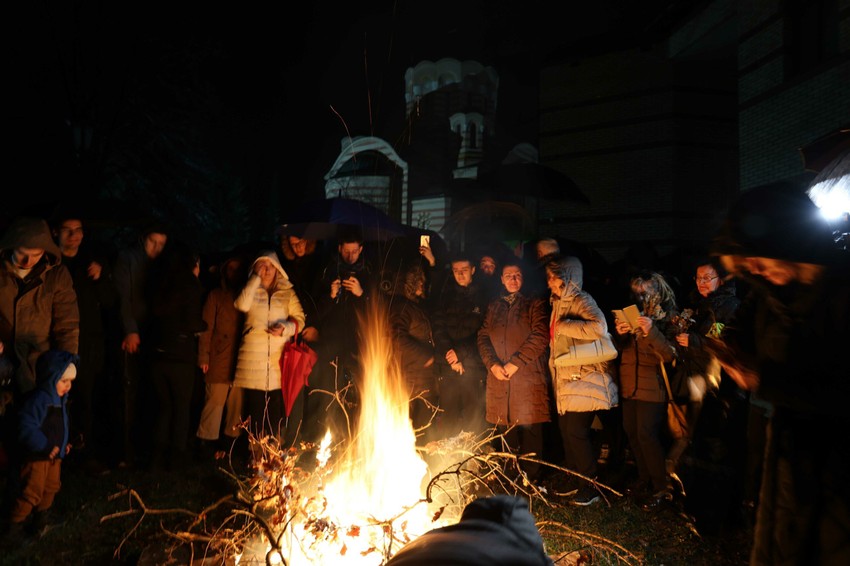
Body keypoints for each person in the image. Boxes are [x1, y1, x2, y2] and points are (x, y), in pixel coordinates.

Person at [710, 182, 850, 565]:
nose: (753, 269)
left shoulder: (840, 296)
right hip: (790, 463)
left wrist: (765, 380)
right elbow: (741, 324)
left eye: (757, 257)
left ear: (789, 239)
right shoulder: (772, 294)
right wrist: (731, 346)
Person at [668, 258, 742, 501]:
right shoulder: (696, 304)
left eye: (706, 278)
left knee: (707, 434)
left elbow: (718, 337)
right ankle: (688, 486)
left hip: (714, 380)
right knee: (690, 430)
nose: (701, 283)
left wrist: (695, 341)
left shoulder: (728, 306)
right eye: (698, 278)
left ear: (720, 279)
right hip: (692, 374)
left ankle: (710, 492)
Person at [546, 256, 618, 506]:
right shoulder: (557, 302)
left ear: (566, 276)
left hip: (584, 376)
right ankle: (578, 480)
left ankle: (591, 485)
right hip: (567, 378)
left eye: (553, 275)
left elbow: (599, 327)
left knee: (577, 431)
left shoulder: (580, 299)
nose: (549, 281)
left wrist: (565, 325)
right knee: (567, 431)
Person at [50, 210, 117, 472]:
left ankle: (83, 452)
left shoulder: (91, 264)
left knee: (86, 399)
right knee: (56, 398)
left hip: (87, 344)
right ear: (56, 232)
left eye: (78, 230)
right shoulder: (52, 263)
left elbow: (110, 301)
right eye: (68, 230)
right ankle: (54, 453)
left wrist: (101, 278)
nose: (74, 236)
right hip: (56, 343)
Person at [477, 260, 550, 482]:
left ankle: (532, 477)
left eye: (517, 275)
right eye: (508, 276)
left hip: (527, 378)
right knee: (504, 429)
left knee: (529, 428)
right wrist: (492, 364)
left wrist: (515, 362)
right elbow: (483, 337)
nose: (513, 280)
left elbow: (540, 335)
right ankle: (509, 474)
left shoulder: (534, 303)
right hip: (499, 378)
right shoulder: (494, 305)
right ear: (501, 279)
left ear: (523, 277)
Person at [613, 271, 678, 511]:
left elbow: (670, 354)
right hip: (630, 384)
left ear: (658, 291)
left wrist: (651, 330)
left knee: (647, 435)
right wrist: (620, 334)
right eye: (638, 292)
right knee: (632, 431)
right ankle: (645, 479)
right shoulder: (635, 313)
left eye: (646, 291)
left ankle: (663, 488)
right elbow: (624, 350)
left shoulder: (668, 317)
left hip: (653, 386)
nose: (642, 296)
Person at [0, 217, 80, 395]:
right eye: (22, 253)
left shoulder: (57, 276)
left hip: (41, 367)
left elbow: (67, 325)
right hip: (3, 364)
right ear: (11, 246)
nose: (28, 261)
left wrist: (63, 368)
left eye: (36, 255)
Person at [233, 251, 305, 448]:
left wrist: (285, 328)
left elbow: (300, 319)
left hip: (277, 361)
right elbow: (241, 304)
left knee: (274, 412)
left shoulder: (287, 292)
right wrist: (255, 278)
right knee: (255, 411)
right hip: (253, 361)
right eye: (261, 265)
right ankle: (256, 457)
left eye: (270, 266)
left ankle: (273, 456)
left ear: (277, 269)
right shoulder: (251, 289)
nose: (266, 270)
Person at [5, 350, 78, 541]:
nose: (68, 386)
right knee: (31, 491)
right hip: (37, 457)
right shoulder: (38, 401)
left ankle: (41, 520)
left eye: (70, 381)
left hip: (53, 458)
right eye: (63, 381)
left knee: (51, 488)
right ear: (50, 378)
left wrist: (63, 446)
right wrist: (44, 445)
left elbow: (58, 427)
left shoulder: (60, 401)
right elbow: (26, 427)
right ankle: (14, 526)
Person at [111, 223, 168, 467]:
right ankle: (125, 451)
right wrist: (130, 329)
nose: (156, 248)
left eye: (161, 244)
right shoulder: (128, 258)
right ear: (143, 239)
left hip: (153, 334)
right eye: (153, 242)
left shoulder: (162, 264)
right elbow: (123, 296)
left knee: (148, 391)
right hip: (133, 333)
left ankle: (144, 448)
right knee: (128, 391)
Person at [148, 243, 207, 471]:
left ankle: (155, 457)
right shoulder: (190, 285)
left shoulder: (162, 281)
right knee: (181, 407)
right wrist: (204, 325)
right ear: (194, 265)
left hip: (158, 354)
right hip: (180, 357)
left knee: (164, 406)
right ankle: (176, 459)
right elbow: (192, 322)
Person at [313, 228, 373, 437]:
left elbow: (378, 310)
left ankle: (355, 437)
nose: (350, 256)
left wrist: (361, 294)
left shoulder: (369, 272)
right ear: (339, 248)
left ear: (361, 249)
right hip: (331, 343)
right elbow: (316, 312)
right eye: (346, 251)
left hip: (358, 343)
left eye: (354, 251)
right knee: (329, 392)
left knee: (357, 393)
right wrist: (330, 296)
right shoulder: (327, 270)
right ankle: (326, 438)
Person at [431, 253, 489, 438]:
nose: (460, 274)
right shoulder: (445, 296)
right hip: (448, 368)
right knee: (449, 419)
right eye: (456, 271)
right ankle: (448, 461)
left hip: (473, 368)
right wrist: (450, 355)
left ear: (473, 270)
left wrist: (461, 354)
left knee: (474, 420)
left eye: (464, 270)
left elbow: (484, 332)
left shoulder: (483, 297)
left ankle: (472, 460)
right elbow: (438, 326)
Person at [196, 255, 245, 460]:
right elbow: (206, 328)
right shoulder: (216, 296)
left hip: (241, 358)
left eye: (237, 269)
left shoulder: (248, 297)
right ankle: (206, 444)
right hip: (219, 356)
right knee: (215, 401)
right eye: (230, 269)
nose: (233, 274)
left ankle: (229, 444)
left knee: (236, 404)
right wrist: (203, 356)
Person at [386, 264, 438, 438]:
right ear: (409, 284)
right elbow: (398, 339)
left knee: (423, 424)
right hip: (410, 377)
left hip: (421, 376)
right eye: (418, 281)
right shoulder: (402, 307)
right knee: (414, 425)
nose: (422, 285)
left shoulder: (415, 305)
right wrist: (426, 356)